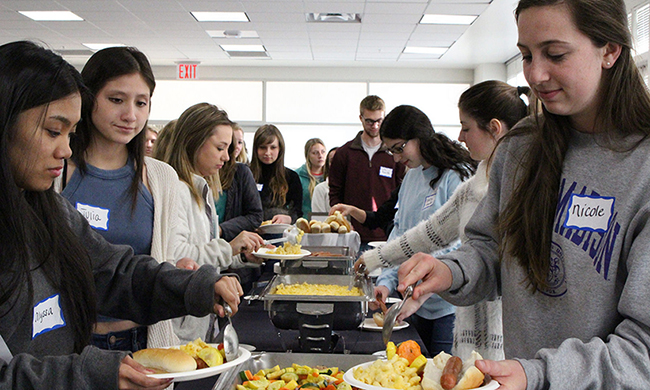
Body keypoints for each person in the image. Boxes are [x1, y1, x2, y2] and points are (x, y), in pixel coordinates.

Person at [396, 0, 650, 388]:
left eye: (555, 54)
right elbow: (492, 250)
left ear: (610, 50)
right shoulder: (519, 149)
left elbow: (643, 349)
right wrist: (451, 271)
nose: (535, 73)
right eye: (527, 55)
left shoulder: (642, 166)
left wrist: (540, 374)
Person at [0, 40, 243, 390]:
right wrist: (90, 373)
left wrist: (196, 285)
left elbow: (111, 272)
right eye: (53, 131)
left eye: (69, 133)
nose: (65, 149)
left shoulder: (43, 205)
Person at [355, 80, 531, 361]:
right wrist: (376, 259)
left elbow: (494, 266)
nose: (459, 136)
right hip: (468, 327)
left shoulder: (525, 185)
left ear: (495, 129)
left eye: (466, 127)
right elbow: (428, 233)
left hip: (508, 341)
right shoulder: (475, 185)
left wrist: (427, 283)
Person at [59, 46, 182, 352]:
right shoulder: (55, 170)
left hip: (141, 342)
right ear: (89, 99)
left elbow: (162, 260)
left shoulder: (160, 178)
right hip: (70, 343)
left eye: (141, 103)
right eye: (116, 100)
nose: (131, 115)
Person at [359, 105, 477, 356]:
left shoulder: (456, 176)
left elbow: (462, 244)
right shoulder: (411, 178)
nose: (397, 159)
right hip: (413, 303)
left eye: (400, 148)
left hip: (450, 306)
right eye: (391, 151)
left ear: (420, 136)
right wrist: (387, 282)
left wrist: (423, 277)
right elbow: (401, 236)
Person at [158, 102, 264, 343]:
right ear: (194, 142)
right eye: (220, 148)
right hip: (181, 326)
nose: (226, 157)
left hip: (200, 320)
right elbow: (178, 256)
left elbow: (205, 249)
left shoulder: (200, 189)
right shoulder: (176, 190)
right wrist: (230, 247)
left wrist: (242, 257)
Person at [328, 95, 406, 251]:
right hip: (353, 234)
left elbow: (402, 192)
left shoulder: (395, 153)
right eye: (370, 121)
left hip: (388, 233)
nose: (375, 126)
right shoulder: (344, 154)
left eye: (379, 121)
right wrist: (344, 221)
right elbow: (335, 193)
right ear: (361, 118)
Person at [249, 124, 303, 224]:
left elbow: (298, 212)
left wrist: (289, 218)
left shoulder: (291, 177)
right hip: (250, 231)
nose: (267, 152)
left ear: (280, 149)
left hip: (280, 234)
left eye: (273, 147)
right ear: (256, 149)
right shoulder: (245, 174)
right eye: (263, 147)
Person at [296, 138, 326, 218]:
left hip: (326, 223)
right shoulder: (298, 176)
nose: (320, 156)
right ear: (307, 155)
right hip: (305, 222)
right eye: (315, 153)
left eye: (323, 152)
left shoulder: (331, 176)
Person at [311, 147, 338, 214]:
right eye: (332, 161)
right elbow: (319, 219)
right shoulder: (320, 189)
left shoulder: (356, 188)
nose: (337, 164)